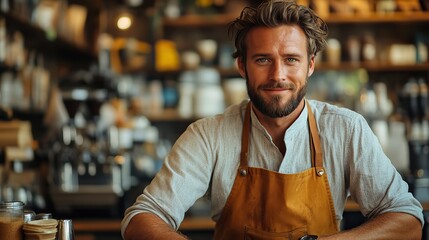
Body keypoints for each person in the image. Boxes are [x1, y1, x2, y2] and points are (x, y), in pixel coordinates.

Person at [121, 0, 424, 239]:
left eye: (291, 59)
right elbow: (143, 217)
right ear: (242, 66)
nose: (277, 75)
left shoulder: (345, 129)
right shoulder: (208, 135)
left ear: (310, 65)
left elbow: (408, 220)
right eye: (262, 59)